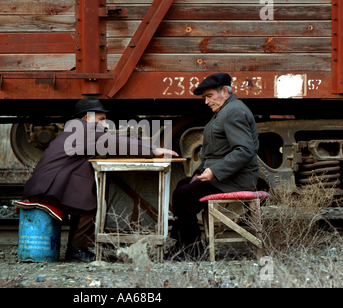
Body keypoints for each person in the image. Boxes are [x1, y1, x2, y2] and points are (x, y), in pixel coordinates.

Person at [22, 97, 178, 262]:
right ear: (87, 118)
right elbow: (114, 142)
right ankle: (77, 251)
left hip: (45, 187)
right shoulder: (84, 131)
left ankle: (75, 249)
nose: (105, 124)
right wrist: (154, 150)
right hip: (48, 190)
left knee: (83, 203)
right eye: (101, 119)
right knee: (89, 208)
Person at [169, 73, 259, 260]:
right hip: (227, 177)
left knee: (183, 195)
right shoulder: (225, 110)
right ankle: (184, 243)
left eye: (209, 96)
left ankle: (192, 250)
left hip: (235, 180)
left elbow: (244, 150)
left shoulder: (233, 112)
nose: (206, 102)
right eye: (205, 98)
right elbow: (214, 153)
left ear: (224, 91)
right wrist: (199, 173)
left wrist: (214, 172)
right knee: (183, 185)